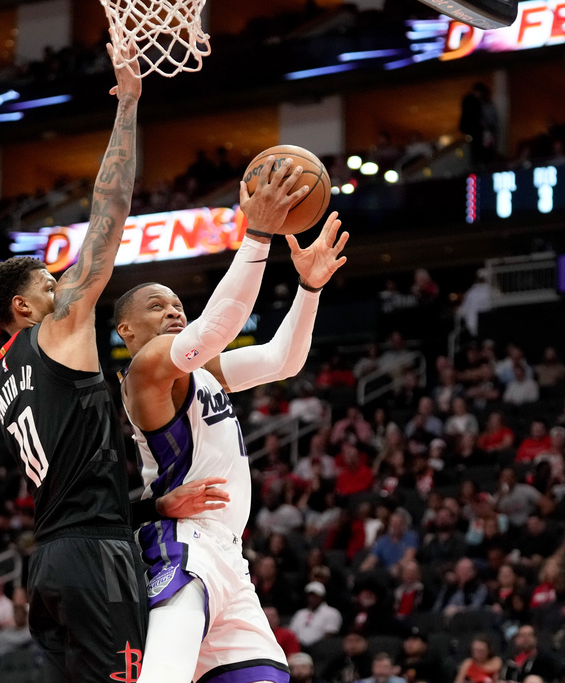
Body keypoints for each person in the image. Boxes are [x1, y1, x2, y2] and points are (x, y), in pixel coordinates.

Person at [0, 50, 225, 683]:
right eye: (48, 283)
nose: (62, 287)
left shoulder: (1, 382)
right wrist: (129, 103)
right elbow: (107, 214)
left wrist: (155, 507)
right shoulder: (56, 328)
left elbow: (74, 477)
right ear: (23, 306)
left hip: (54, 565)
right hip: (94, 562)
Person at [115, 178, 349, 683]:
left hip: (228, 554)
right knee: (164, 675)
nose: (173, 310)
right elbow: (217, 328)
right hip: (181, 542)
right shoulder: (147, 369)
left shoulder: (201, 371)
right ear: (126, 331)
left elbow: (281, 360)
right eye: (157, 305)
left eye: (177, 303)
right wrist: (258, 235)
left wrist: (309, 291)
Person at [290, 582, 343, 648]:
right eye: (310, 595)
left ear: (322, 596)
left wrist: (315, 646)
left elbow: (330, 634)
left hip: (321, 648)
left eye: (315, 596)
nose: (312, 598)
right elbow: (292, 632)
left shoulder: (332, 612)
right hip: (299, 647)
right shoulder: (300, 613)